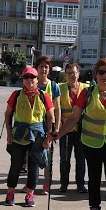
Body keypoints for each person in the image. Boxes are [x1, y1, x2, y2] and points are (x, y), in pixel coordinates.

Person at [52, 57, 106, 210]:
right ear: (95, 74)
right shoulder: (86, 93)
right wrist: (57, 134)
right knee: (94, 178)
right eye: (101, 72)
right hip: (91, 143)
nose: (104, 75)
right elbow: (74, 118)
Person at [4, 67, 55, 207]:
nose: (29, 80)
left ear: (37, 79)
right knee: (15, 165)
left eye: (32, 77)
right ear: (23, 80)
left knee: (34, 167)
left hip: (37, 136)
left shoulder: (44, 96)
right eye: (26, 77)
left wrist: (49, 137)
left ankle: (30, 194)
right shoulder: (16, 95)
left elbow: (51, 116)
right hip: (19, 135)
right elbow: (7, 114)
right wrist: (9, 133)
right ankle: (10, 193)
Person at [29, 56, 60, 195]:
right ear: (36, 68)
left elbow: (57, 108)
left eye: (46, 67)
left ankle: (46, 184)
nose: (43, 69)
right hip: (32, 126)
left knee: (47, 155)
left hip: (47, 125)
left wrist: (57, 127)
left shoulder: (53, 86)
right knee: (31, 155)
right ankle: (31, 184)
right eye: (41, 66)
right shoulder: (30, 83)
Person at [57, 62, 88, 193]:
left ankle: (80, 184)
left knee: (81, 158)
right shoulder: (60, 88)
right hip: (65, 129)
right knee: (65, 158)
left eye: (74, 73)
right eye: (68, 73)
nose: (71, 76)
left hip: (82, 130)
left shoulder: (87, 88)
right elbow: (56, 108)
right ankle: (64, 183)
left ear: (78, 74)